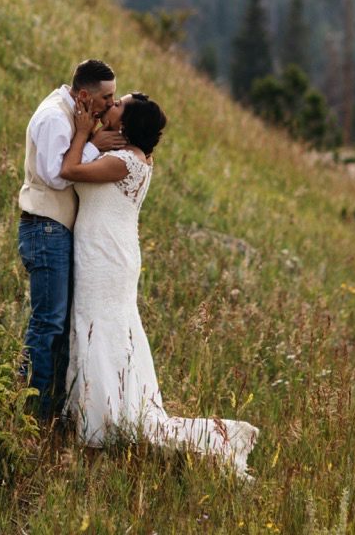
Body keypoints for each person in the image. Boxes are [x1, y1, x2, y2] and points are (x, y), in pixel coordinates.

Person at [58, 92, 259, 478]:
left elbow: (68, 171)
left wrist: (84, 134)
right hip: (110, 252)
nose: (110, 105)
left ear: (126, 125)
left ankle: (102, 425)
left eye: (118, 105)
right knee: (108, 329)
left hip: (107, 258)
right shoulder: (133, 158)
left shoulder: (122, 162)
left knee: (100, 329)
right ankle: (107, 416)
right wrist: (97, 139)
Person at [17, 59, 124, 420]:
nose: (111, 104)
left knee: (58, 323)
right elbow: (56, 175)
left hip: (55, 229)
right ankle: (31, 409)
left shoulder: (73, 114)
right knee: (48, 322)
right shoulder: (53, 117)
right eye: (107, 97)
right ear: (83, 95)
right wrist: (91, 143)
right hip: (45, 227)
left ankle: (49, 407)